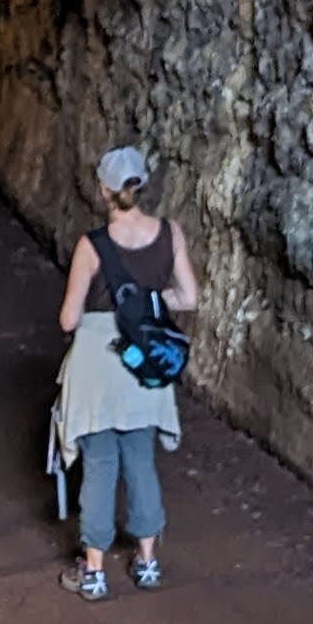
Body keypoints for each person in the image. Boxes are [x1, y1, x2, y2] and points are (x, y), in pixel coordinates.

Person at [53, 143, 199, 599]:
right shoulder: (171, 234)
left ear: (104, 190)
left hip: (99, 359)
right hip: (145, 360)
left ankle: (94, 572)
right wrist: (149, 306)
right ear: (142, 185)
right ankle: (148, 562)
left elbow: (68, 319)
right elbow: (189, 298)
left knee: (99, 464)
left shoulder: (92, 246)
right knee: (140, 458)